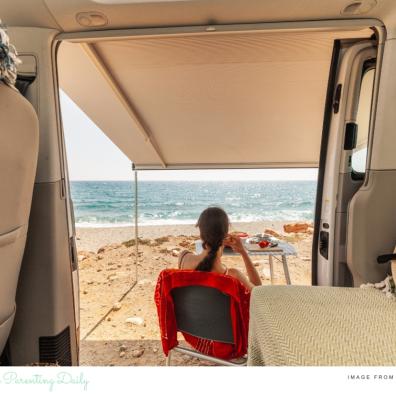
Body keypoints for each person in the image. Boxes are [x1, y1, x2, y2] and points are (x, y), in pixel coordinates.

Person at [178, 207, 262, 290]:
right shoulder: (233, 275)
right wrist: (243, 252)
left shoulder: (184, 258)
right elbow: (258, 292)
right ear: (226, 234)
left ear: (201, 233)